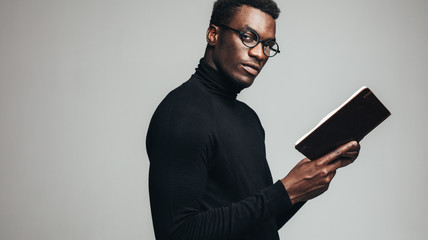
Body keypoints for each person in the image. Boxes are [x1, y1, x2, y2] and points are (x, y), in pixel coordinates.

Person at [146, 0, 361, 239]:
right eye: (248, 37)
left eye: (268, 45)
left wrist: (304, 186)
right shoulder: (180, 115)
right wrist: (285, 192)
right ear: (213, 34)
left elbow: (258, 225)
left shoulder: (248, 118)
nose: (259, 54)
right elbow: (177, 233)